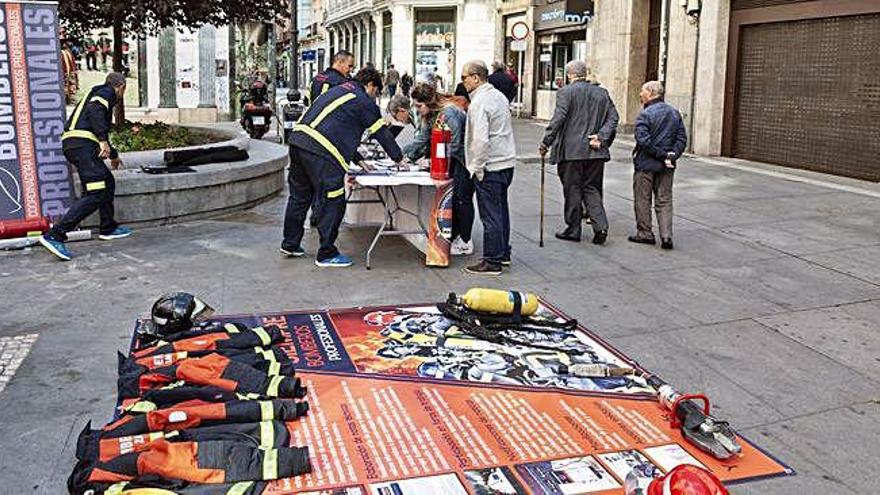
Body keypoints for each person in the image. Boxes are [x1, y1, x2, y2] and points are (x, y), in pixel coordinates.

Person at [281, 68, 404, 268]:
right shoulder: (363, 100)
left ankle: (290, 243)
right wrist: (399, 159)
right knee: (334, 200)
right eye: (376, 92)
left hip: (298, 141)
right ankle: (327, 253)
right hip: (322, 152)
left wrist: (357, 158)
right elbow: (381, 133)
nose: (375, 97)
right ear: (371, 85)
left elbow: (334, 125)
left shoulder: (339, 90)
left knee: (300, 196)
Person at [39, 73, 132, 261]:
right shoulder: (106, 92)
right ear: (120, 86)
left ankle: (108, 227)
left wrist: (113, 155)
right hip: (83, 146)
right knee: (96, 193)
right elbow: (95, 110)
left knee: (107, 181)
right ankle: (55, 234)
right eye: (124, 89)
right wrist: (103, 140)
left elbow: (91, 119)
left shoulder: (96, 92)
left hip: (78, 145)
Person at [539, 60, 618, 245]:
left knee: (573, 189)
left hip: (572, 151)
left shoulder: (566, 92)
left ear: (569, 74)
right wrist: (601, 136)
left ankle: (573, 229)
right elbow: (614, 117)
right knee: (591, 188)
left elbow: (559, 118)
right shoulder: (601, 92)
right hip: (595, 150)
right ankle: (601, 226)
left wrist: (546, 141)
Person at [403, 83, 474, 256]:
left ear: (429, 102)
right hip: (449, 160)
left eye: (419, 106)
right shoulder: (431, 115)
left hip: (462, 162)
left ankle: (465, 240)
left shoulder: (449, 113)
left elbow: (455, 146)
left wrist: (434, 162)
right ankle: (455, 235)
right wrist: (402, 156)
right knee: (452, 199)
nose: (417, 110)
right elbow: (422, 140)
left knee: (461, 199)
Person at [461, 60, 516, 276]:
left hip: (491, 165)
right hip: (506, 162)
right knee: (501, 210)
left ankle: (492, 261)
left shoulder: (479, 102)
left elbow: (481, 140)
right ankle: (503, 253)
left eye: (464, 77)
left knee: (490, 214)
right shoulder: (498, 96)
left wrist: (478, 167)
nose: (463, 81)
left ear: (476, 77)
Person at [628, 80, 687, 250]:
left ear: (651, 92)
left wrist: (661, 154)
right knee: (664, 200)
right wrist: (672, 154)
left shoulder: (645, 115)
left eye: (642, 91)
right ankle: (666, 236)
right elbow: (681, 138)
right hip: (667, 165)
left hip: (646, 164)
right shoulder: (674, 113)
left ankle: (645, 233)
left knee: (642, 199)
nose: (640, 94)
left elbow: (643, 141)